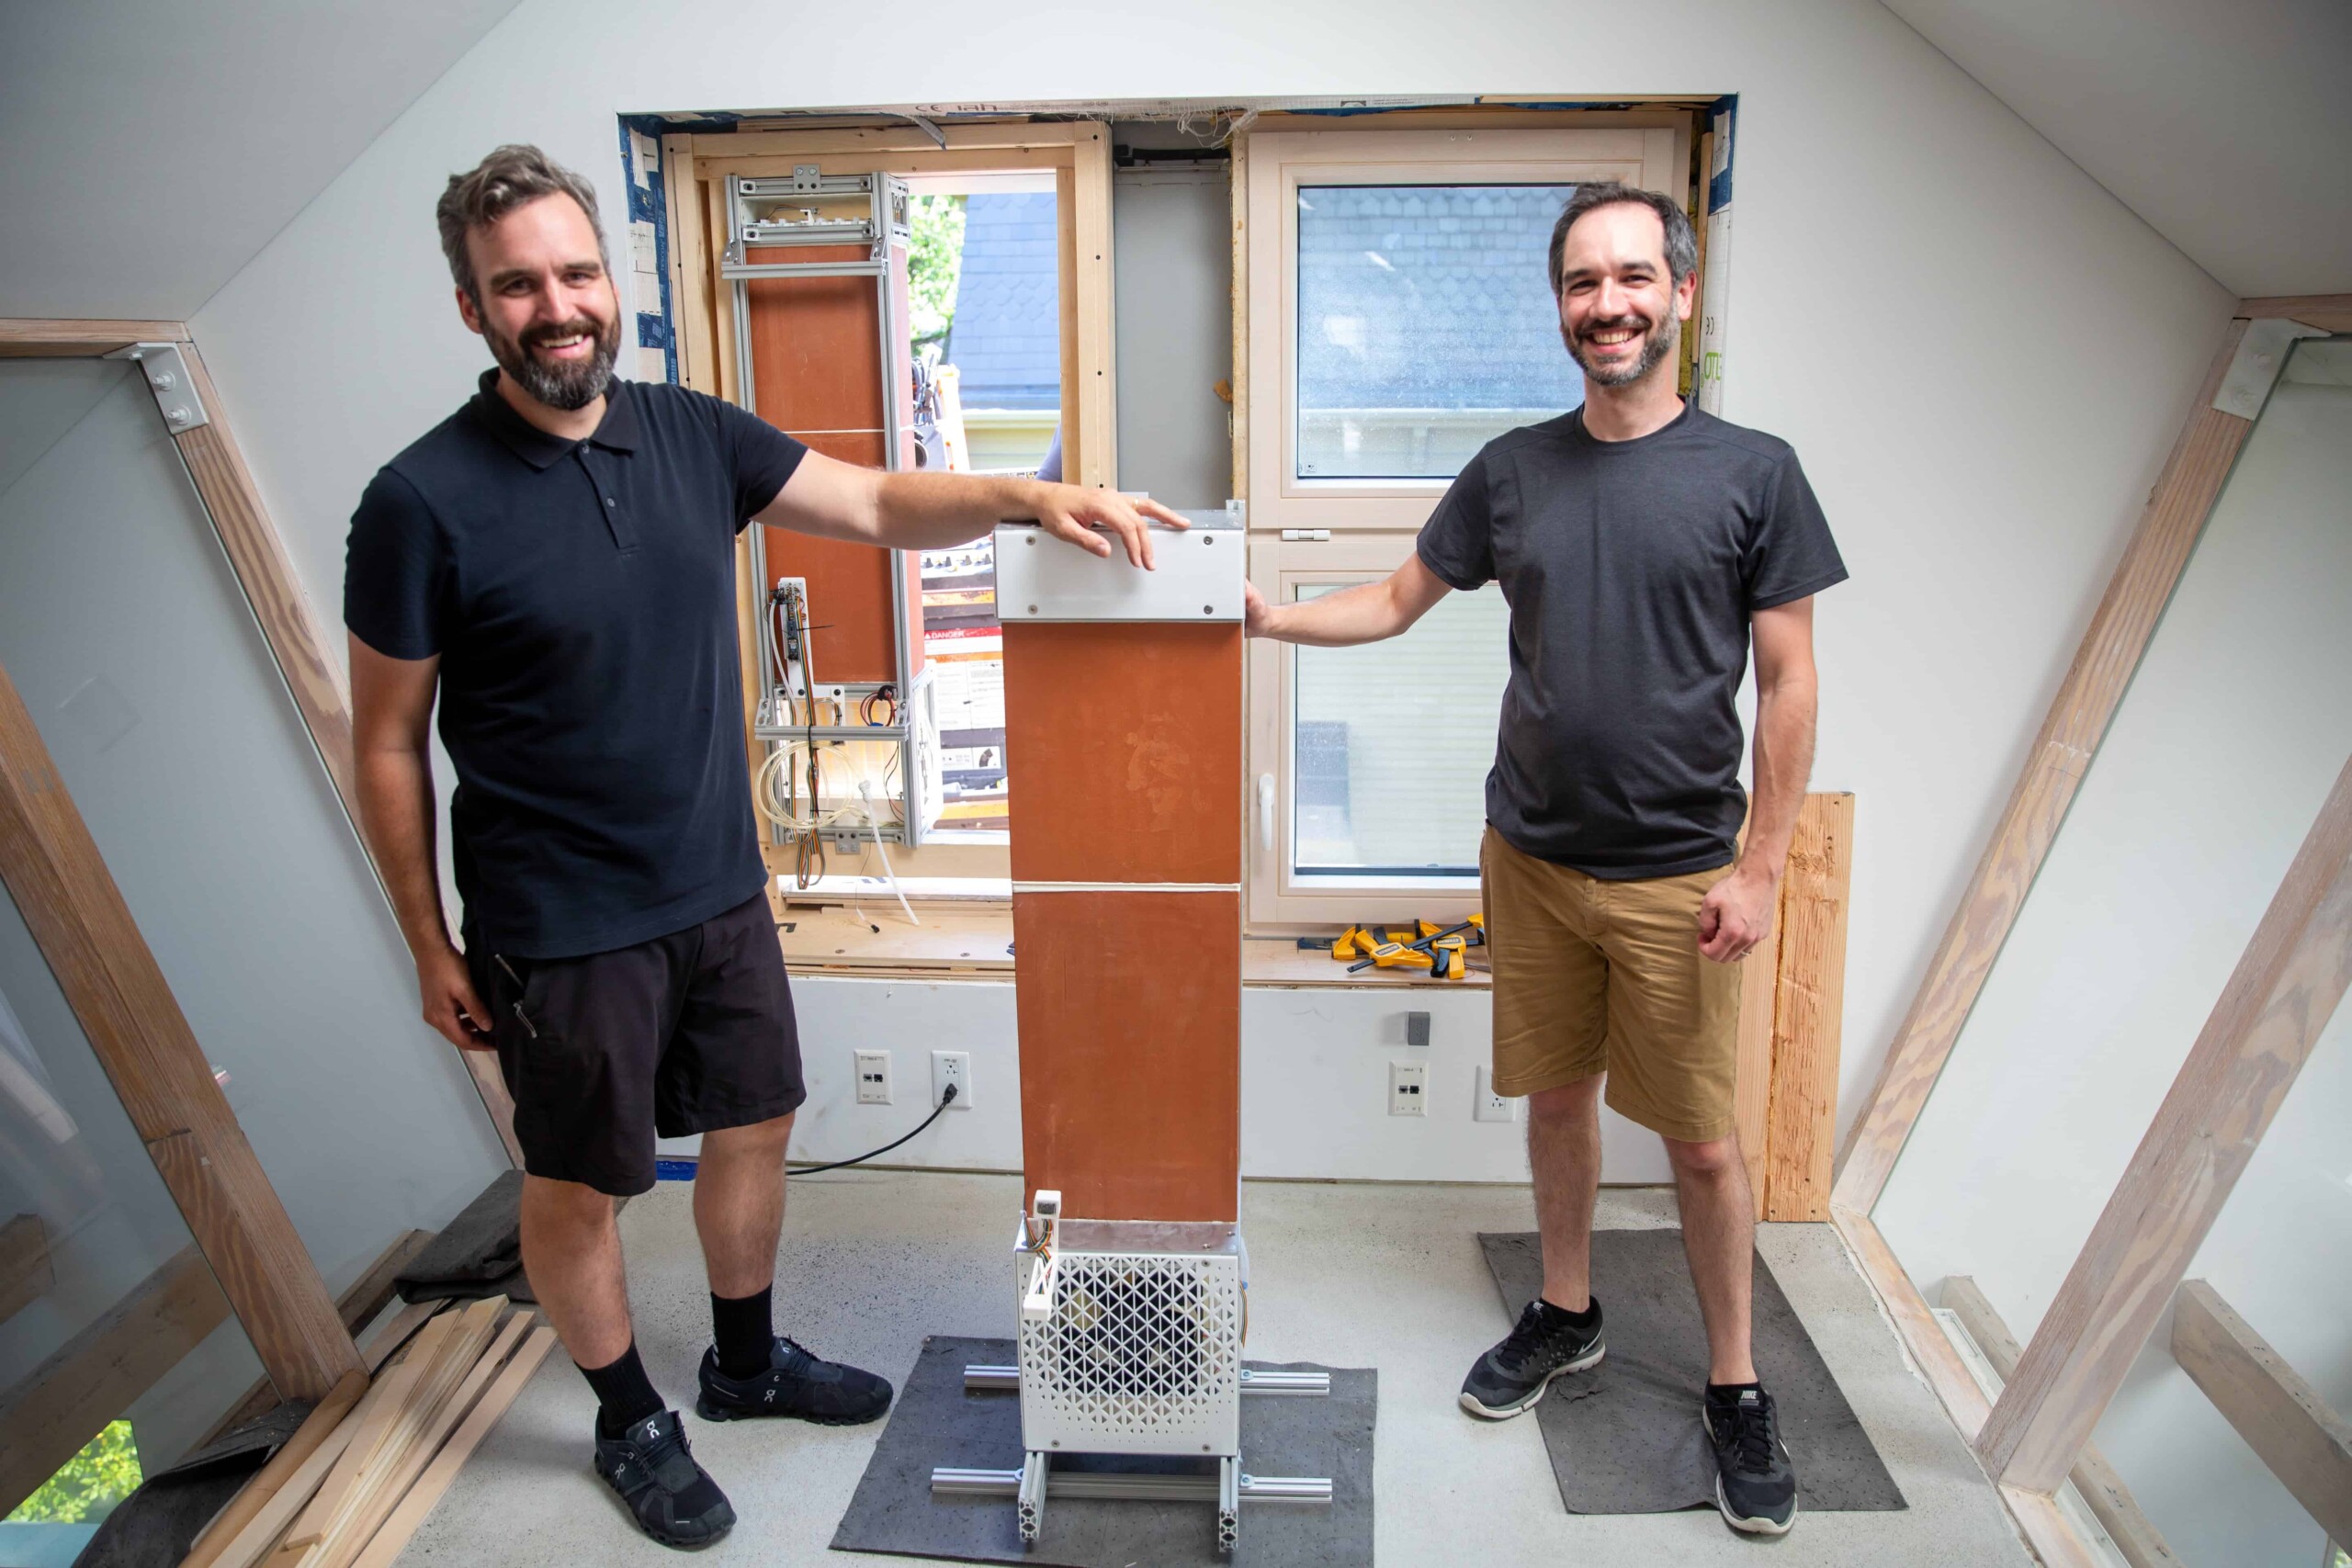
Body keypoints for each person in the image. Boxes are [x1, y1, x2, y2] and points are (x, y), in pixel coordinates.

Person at [345, 144, 1182, 1551]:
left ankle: (744, 1366)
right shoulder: (420, 501)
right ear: (471, 309)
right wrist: (428, 943)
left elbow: (869, 504)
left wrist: (1028, 498)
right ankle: (630, 1418)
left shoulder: (687, 433)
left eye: (575, 273)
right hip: (556, 919)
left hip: (719, 886)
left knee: (758, 1119)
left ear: (609, 283)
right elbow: (384, 740)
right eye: (517, 286)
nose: (557, 306)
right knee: (579, 1182)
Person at [1243, 182, 1845, 1537]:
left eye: (1635, 277)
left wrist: (1763, 866)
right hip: (1531, 857)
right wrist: (1273, 620)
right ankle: (1567, 1312)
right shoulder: (1513, 469)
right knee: (1557, 1101)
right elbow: (1400, 600)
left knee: (1697, 1145)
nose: (1609, 304)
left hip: (1683, 874)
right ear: (1561, 306)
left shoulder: (1755, 472)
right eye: (1584, 282)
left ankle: (1737, 1383)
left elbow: (1791, 682)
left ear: (1681, 294)